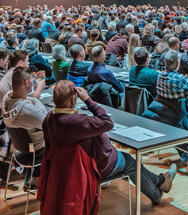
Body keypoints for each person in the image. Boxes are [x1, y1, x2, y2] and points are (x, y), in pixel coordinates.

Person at [42, 81, 174, 206]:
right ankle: (156, 193)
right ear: (72, 100)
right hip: (95, 167)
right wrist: (88, 100)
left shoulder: (48, 119)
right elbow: (107, 123)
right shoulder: (78, 122)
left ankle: (161, 180)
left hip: (66, 168)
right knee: (130, 162)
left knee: (125, 158)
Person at [1, 67, 49, 163]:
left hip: (21, 148)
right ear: (26, 83)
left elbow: (27, 98)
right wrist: (39, 87)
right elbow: (47, 122)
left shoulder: (7, 98)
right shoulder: (26, 110)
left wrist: (35, 84)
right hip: (39, 150)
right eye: (31, 80)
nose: (32, 82)